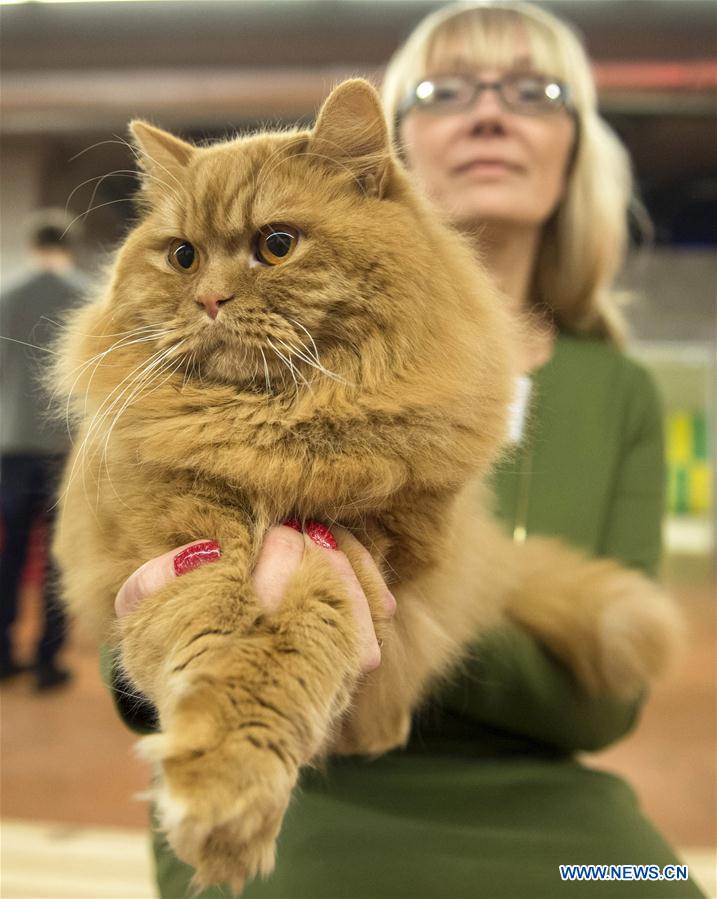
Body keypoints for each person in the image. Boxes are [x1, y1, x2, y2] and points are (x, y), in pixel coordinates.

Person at [110, 3, 705, 897]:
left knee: (645, 881)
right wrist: (177, 638)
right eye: (446, 89)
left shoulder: (614, 387)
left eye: (533, 91)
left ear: (577, 148)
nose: (490, 111)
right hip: (309, 799)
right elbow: (143, 683)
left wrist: (393, 611)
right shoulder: (209, 368)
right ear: (385, 157)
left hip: (551, 812)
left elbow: (604, 705)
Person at [0, 210, 88, 690]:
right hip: (65, 449)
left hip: (10, 444)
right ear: (69, 247)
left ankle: (2, 651)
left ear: (33, 245)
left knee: (8, 552)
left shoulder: (5, 297)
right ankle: (47, 662)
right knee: (59, 555)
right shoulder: (86, 297)